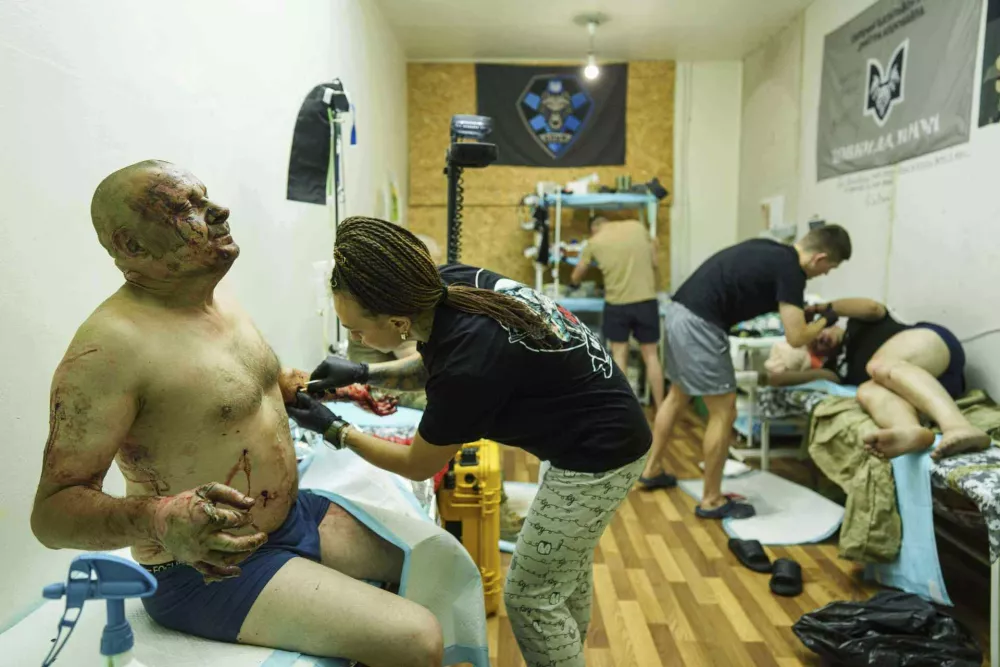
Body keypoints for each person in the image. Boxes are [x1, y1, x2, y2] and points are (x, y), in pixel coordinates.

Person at [30, 161, 446, 667]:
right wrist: (159, 517)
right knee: (418, 638)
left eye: (205, 198)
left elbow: (225, 394)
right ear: (132, 246)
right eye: (188, 207)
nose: (219, 210)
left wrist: (286, 384)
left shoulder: (214, 301)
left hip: (290, 518)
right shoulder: (106, 353)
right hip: (207, 569)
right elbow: (52, 515)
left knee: (437, 566)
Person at [288, 216, 651, 667]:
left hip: (601, 453)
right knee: (560, 576)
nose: (355, 340)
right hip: (593, 425)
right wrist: (364, 373)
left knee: (532, 600)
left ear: (398, 320)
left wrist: (335, 430)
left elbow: (417, 463)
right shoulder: (448, 284)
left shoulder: (468, 363)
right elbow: (436, 363)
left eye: (358, 331)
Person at [640, 225, 852, 519]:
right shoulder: (792, 272)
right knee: (724, 411)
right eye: (831, 267)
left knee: (678, 395)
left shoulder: (770, 249)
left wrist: (805, 315)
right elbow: (795, 337)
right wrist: (825, 320)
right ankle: (711, 499)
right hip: (701, 323)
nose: (827, 273)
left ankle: (651, 469)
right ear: (819, 258)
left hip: (678, 312)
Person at [764, 298, 991, 460]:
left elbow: (872, 307)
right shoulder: (835, 371)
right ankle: (910, 430)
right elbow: (778, 379)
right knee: (866, 391)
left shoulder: (859, 323)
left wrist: (823, 310)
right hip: (931, 388)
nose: (819, 341)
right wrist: (787, 354)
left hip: (932, 347)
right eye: (813, 345)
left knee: (878, 366)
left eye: (818, 334)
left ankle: (958, 426)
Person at [570, 215, 664, 408]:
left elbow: (579, 271)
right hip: (646, 300)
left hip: (618, 304)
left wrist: (573, 283)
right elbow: (654, 260)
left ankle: (625, 408)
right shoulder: (637, 226)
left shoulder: (594, 242)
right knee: (652, 356)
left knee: (620, 355)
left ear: (594, 228)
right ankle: (662, 406)